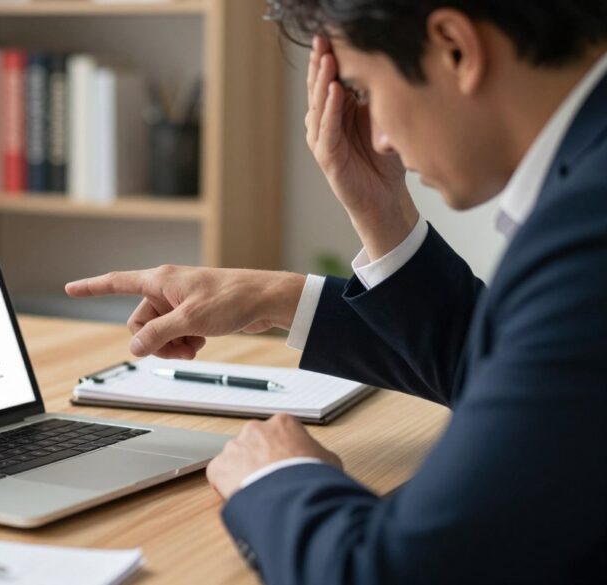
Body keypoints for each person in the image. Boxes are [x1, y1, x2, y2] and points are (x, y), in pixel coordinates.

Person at [65, 2, 607, 583]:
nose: (379, 137)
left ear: (455, 47)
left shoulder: (587, 229)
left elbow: (390, 572)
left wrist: (277, 477)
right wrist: (302, 276)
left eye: (364, 89)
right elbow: (507, 373)